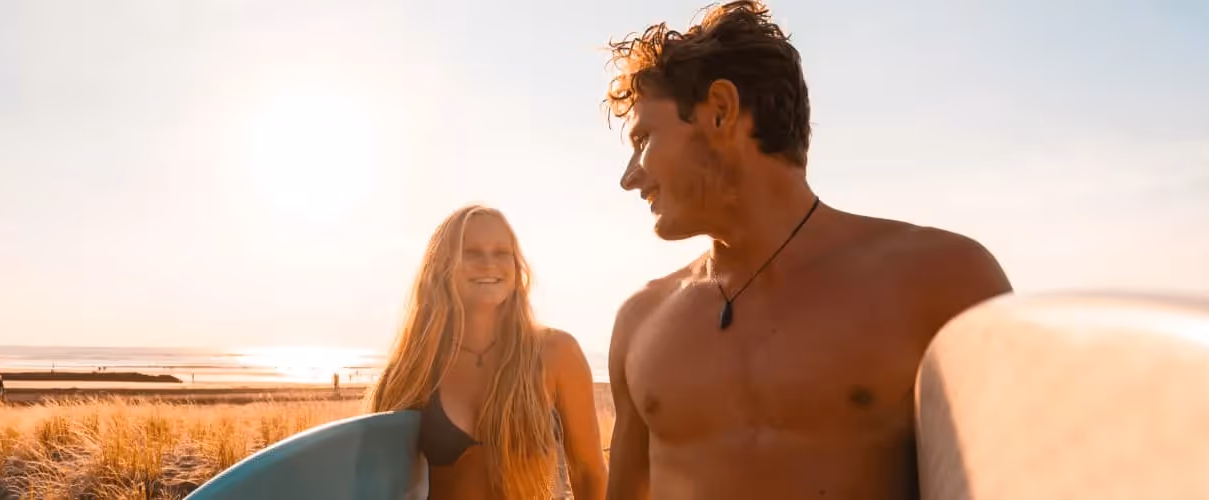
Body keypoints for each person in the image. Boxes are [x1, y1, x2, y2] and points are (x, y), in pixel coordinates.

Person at [601, 2, 1014, 499]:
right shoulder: (639, 321)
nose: (629, 179)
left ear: (721, 111)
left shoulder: (942, 279)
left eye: (643, 138)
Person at [366, 205, 607, 500]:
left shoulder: (556, 353)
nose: (489, 264)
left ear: (517, 266)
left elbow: (590, 473)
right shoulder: (414, 369)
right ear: (441, 266)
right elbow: (378, 483)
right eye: (471, 252)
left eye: (501, 253)